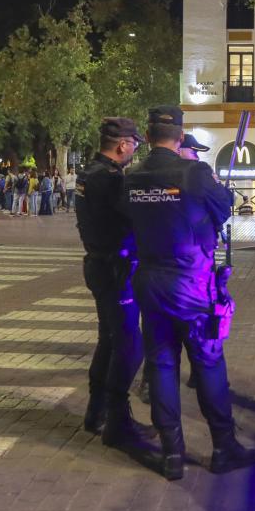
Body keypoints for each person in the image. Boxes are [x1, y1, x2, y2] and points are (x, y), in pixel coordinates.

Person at [120, 105, 255, 481]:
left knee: (162, 364)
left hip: (149, 280)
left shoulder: (132, 177)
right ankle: (223, 446)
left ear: (147, 138)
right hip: (192, 284)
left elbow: (127, 219)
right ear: (180, 139)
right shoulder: (194, 172)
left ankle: (171, 453)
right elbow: (225, 208)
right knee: (209, 362)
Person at [76, 117, 152, 448]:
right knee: (129, 344)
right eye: (134, 144)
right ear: (122, 144)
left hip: (97, 263)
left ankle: (97, 413)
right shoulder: (109, 178)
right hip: (114, 267)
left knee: (108, 340)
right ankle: (117, 419)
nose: (134, 150)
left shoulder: (89, 172)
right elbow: (131, 216)